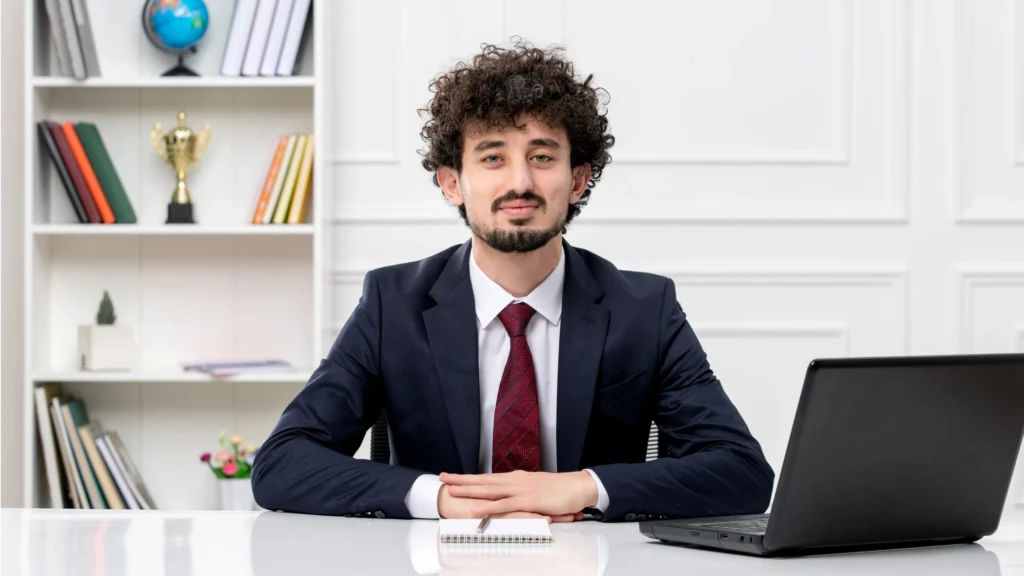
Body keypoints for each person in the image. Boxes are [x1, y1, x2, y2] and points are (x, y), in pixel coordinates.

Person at [251, 39, 774, 523]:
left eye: (542, 157)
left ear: (577, 180)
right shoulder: (392, 303)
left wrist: (585, 488)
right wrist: (437, 498)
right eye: (493, 157)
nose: (520, 182)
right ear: (453, 183)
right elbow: (282, 463)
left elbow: (743, 472)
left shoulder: (645, 308)